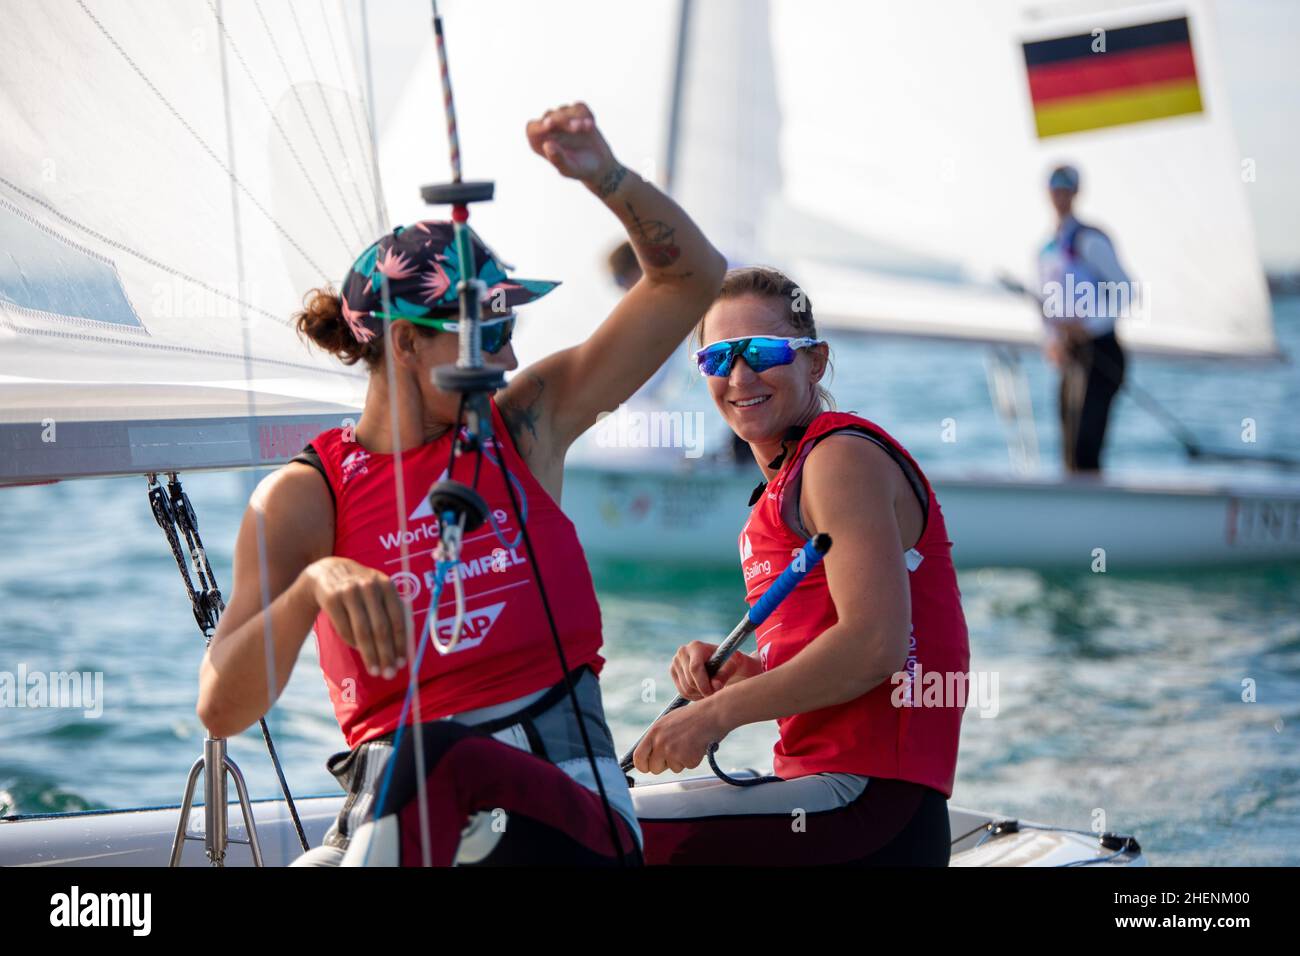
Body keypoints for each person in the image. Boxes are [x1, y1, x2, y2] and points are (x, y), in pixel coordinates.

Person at [196, 102, 726, 866]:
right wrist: (312, 586)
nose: (508, 359)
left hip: (568, 817)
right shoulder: (305, 497)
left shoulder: (527, 425)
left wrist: (607, 178)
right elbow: (222, 708)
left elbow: (691, 279)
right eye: (486, 332)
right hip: (401, 821)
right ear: (407, 342)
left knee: (437, 761)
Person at [629, 267, 970, 865]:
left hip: (870, 808)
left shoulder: (839, 458)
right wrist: (751, 673)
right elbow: (843, 668)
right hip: (831, 799)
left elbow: (874, 648)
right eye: (718, 358)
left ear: (815, 361)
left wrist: (712, 717)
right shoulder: (777, 492)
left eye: (762, 351)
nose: (739, 375)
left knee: (595, 833)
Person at [1038, 164, 1131, 473]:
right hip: (1072, 355)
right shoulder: (1048, 247)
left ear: (1076, 193)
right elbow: (1047, 304)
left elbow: (1126, 291)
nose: (1060, 195)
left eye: (1066, 188)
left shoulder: (1090, 241)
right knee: (1069, 452)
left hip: (1101, 354)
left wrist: (1087, 326)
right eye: (1055, 188)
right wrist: (1052, 340)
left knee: (1085, 450)